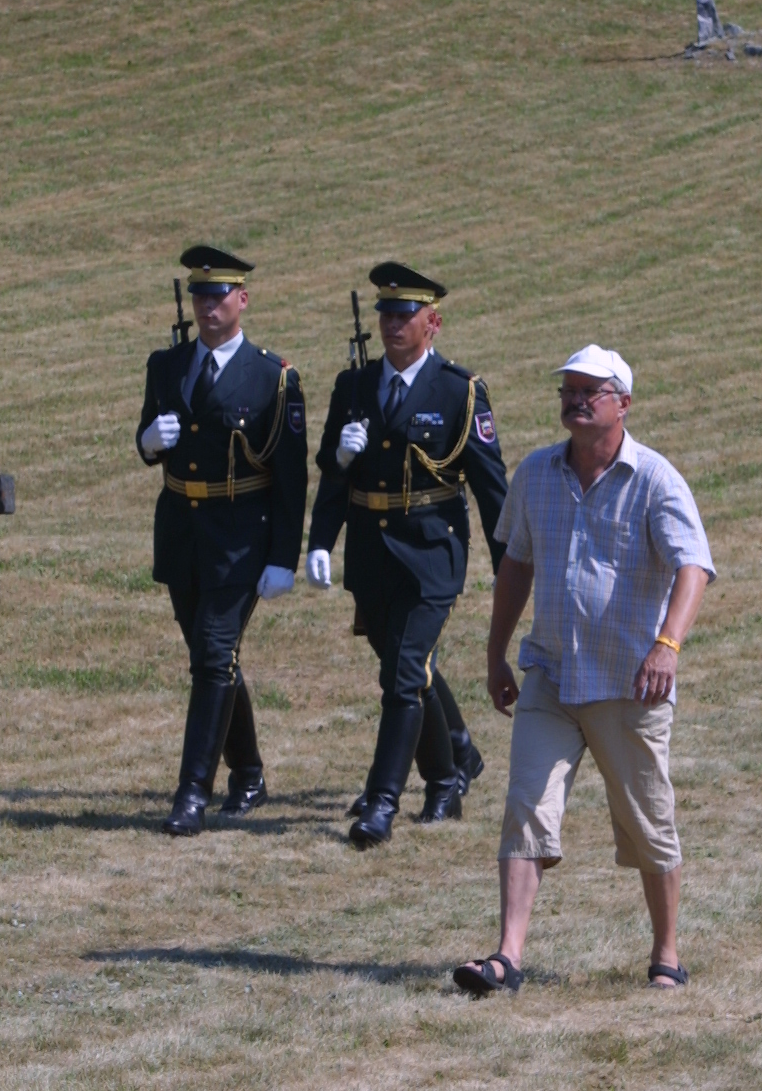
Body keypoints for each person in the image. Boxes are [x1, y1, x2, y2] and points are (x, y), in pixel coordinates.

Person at [452, 344, 714, 998]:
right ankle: (507, 957)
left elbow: (693, 567)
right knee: (526, 808)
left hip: (629, 685)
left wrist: (668, 646)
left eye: (588, 391)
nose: (574, 400)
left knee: (648, 821)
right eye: (568, 390)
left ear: (623, 403)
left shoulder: (655, 479)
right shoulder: (536, 473)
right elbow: (516, 564)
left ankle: (667, 955)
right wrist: (496, 653)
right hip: (551, 676)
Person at [306, 263, 509, 847]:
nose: (392, 324)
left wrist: (510, 568)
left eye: (405, 314)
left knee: (402, 676)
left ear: (432, 323)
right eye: (386, 314)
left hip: (430, 553)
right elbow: (334, 475)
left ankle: (381, 803)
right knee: (407, 669)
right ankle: (449, 772)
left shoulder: (458, 391)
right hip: (372, 553)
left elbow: (491, 489)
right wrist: (321, 539)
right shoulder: (353, 386)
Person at [136, 247, 308, 834]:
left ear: (243, 300)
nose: (208, 307)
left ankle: (191, 793)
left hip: (241, 537)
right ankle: (250, 774)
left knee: (213, 654)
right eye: (199, 296)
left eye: (219, 296)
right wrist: (147, 442)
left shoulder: (272, 377)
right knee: (213, 658)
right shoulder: (167, 365)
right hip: (182, 532)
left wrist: (283, 558)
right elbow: (146, 435)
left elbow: (290, 478)